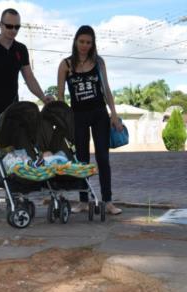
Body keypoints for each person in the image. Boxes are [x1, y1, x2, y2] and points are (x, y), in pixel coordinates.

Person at [0, 8, 54, 201]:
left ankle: (14, 197)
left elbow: (29, 77)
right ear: (0, 24)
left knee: (15, 156)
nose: (13, 30)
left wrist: (42, 96)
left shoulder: (20, 50)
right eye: (9, 26)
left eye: (17, 27)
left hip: (13, 114)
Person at [57, 25, 123, 215]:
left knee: (103, 158)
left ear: (93, 44)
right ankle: (84, 202)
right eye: (81, 41)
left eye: (88, 42)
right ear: (75, 41)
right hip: (78, 116)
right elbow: (61, 96)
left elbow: (106, 89)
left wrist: (114, 114)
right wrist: (63, 121)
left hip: (99, 113)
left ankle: (108, 201)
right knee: (82, 160)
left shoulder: (99, 62)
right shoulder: (66, 65)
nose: (84, 46)